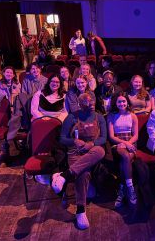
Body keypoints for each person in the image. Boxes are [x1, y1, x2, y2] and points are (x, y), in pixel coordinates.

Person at [52, 92, 106, 230]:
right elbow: (62, 138)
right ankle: (80, 210)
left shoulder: (99, 117)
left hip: (92, 151)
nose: (91, 104)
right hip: (75, 151)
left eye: (93, 101)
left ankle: (64, 175)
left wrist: (91, 144)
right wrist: (74, 141)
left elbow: (103, 138)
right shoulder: (72, 117)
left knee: (101, 150)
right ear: (80, 105)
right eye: (88, 103)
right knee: (83, 173)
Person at [0, 63, 48, 169]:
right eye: (32, 69)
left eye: (36, 68)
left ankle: (13, 139)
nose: (34, 70)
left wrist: (33, 98)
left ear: (40, 69)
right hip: (27, 104)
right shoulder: (26, 79)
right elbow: (23, 94)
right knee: (21, 98)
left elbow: (44, 95)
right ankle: (21, 142)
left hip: (40, 105)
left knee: (20, 102)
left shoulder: (45, 80)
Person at [107, 92, 139, 207]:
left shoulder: (133, 115)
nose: (122, 103)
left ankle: (121, 189)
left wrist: (129, 143)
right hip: (118, 144)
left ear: (127, 102)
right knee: (125, 156)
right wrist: (124, 143)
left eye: (124, 101)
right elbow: (111, 136)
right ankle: (130, 187)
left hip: (131, 143)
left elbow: (135, 135)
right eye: (119, 101)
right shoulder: (111, 116)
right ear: (116, 103)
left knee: (124, 162)